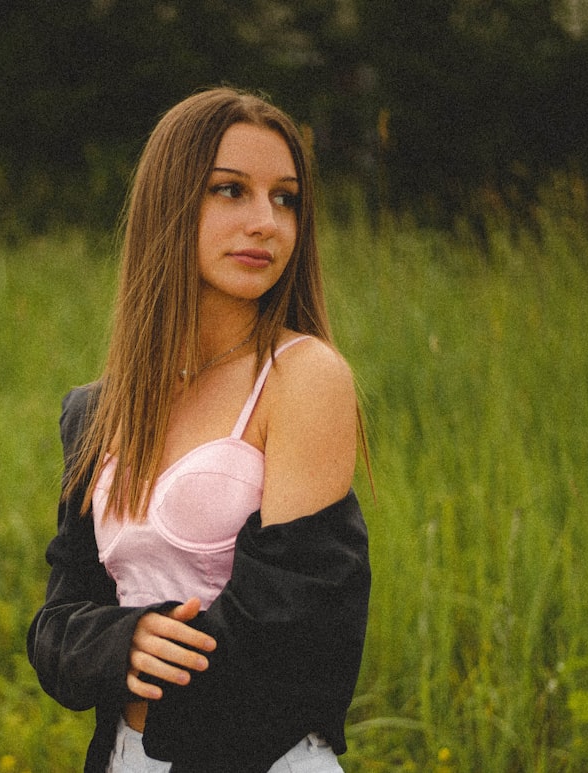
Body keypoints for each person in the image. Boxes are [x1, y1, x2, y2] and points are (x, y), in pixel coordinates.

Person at [27, 86, 371, 773]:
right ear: (169, 202)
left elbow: (297, 630)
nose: (265, 222)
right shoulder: (99, 410)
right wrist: (122, 640)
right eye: (230, 191)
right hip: (125, 757)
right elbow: (58, 623)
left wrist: (131, 669)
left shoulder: (302, 377)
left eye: (285, 198)